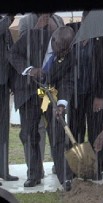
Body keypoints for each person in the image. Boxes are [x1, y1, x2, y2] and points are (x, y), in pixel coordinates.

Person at [8, 26, 75, 191]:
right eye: (61, 49)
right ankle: (34, 174)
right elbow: (13, 54)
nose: (63, 54)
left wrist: (62, 104)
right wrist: (30, 70)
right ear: (53, 40)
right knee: (29, 134)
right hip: (28, 92)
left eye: (67, 50)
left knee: (58, 133)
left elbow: (68, 80)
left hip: (50, 96)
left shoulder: (70, 52)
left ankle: (65, 178)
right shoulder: (32, 37)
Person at [68, 11, 103, 180]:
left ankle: (97, 168)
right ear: (82, 19)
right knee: (75, 130)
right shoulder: (72, 35)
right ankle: (78, 168)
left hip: (95, 94)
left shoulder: (102, 40)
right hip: (75, 94)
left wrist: (101, 95)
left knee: (97, 130)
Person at [18, 13, 65, 175]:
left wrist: (55, 29)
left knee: (54, 129)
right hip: (31, 90)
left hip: (50, 89)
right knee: (32, 131)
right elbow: (21, 47)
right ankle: (35, 172)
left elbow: (63, 47)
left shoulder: (58, 19)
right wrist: (37, 29)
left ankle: (59, 169)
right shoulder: (25, 21)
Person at [0, 14, 19, 186]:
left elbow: (10, 52)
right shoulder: (4, 21)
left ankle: (3, 169)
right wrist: (9, 18)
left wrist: (13, 81)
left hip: (3, 82)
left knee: (3, 129)